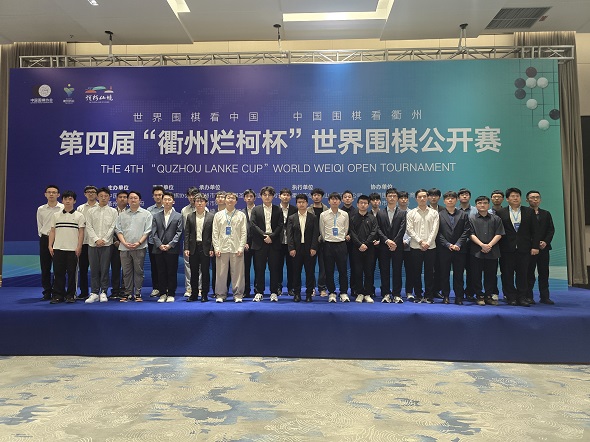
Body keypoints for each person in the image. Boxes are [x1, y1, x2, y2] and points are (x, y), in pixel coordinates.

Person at [496, 187, 540, 307]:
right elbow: (498, 231)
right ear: (507, 199)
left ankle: (522, 297)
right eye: (512, 196)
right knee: (507, 274)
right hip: (506, 249)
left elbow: (536, 231)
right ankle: (511, 297)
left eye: (517, 196)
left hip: (524, 249)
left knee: (523, 274)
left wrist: (535, 246)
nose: (515, 198)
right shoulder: (501, 212)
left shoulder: (529, 211)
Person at [48, 190, 85, 304]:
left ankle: (71, 295)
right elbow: (52, 231)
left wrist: (79, 247)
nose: (68, 201)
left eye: (70, 199)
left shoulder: (79, 216)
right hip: (58, 248)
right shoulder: (56, 215)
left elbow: (81, 233)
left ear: (74, 201)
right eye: (65, 199)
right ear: (62, 200)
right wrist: (50, 245)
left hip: (73, 249)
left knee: (72, 273)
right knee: (58, 273)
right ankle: (58, 295)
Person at [115, 190, 153, 302]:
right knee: (126, 272)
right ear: (128, 200)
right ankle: (127, 293)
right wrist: (124, 242)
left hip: (139, 247)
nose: (133, 200)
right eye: (130, 198)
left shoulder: (146, 214)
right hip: (124, 248)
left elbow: (148, 230)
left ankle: (137, 293)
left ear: (140, 200)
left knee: (138, 271)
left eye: (135, 198)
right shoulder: (122, 215)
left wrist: (139, 242)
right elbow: (118, 230)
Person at [469, 196, 505, 306]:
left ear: (488, 205)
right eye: (479, 203)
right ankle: (479, 295)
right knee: (476, 275)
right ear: (476, 205)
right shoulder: (471, 218)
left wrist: (489, 245)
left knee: (491, 275)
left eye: (485, 203)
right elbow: (470, 234)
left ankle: (488, 296)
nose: (482, 205)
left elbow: (499, 233)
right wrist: (482, 245)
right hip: (476, 251)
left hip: (492, 251)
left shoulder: (496, 219)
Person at [211, 192, 247, 302]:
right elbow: (215, 233)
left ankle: (238, 295)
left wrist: (241, 247)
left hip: (236, 248)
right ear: (225, 200)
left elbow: (244, 233)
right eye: (228, 198)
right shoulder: (218, 215)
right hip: (222, 248)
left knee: (238, 273)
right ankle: (220, 295)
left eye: (233, 198)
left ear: (236, 201)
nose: (230, 200)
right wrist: (216, 248)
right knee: (221, 273)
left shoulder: (241, 215)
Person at [406, 189, 439, 303]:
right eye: (419, 197)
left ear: (427, 198)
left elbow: (435, 229)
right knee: (416, 272)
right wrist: (420, 241)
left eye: (424, 196)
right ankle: (418, 295)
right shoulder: (411, 213)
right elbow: (409, 229)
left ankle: (429, 295)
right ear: (416, 199)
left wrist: (428, 243)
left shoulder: (434, 213)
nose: (422, 199)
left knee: (430, 272)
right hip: (416, 247)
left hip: (431, 247)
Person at [436, 191, 470, 305]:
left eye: (452, 198)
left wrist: (458, 244)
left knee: (459, 275)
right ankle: (445, 296)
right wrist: (447, 244)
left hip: (460, 249)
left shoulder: (463, 214)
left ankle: (459, 296)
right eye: (447, 198)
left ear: (456, 200)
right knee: (444, 274)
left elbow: (466, 231)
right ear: (444, 201)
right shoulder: (439, 214)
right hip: (444, 249)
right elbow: (437, 232)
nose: (450, 200)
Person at [250, 186, 283, 302]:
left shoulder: (278, 209)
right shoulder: (256, 209)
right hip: (260, 243)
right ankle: (259, 292)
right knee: (259, 269)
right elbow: (253, 224)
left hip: (274, 242)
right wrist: (264, 236)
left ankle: (274, 292)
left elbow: (280, 225)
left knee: (274, 269)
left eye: (269, 195)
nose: (267, 197)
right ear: (261, 196)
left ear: (273, 196)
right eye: (265, 195)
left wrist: (271, 236)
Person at [85, 187, 117, 303]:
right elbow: (88, 226)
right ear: (97, 197)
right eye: (101, 196)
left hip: (107, 244)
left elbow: (113, 227)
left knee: (104, 269)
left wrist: (104, 239)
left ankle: (103, 291)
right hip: (93, 245)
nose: (103, 198)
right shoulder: (90, 211)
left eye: (106, 196)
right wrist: (96, 240)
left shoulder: (113, 212)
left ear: (109, 197)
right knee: (94, 269)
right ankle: (94, 292)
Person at [375, 188, 406, 303]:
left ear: (397, 198)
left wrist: (395, 242)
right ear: (386, 197)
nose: (392, 198)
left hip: (397, 247)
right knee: (384, 270)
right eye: (390, 196)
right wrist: (387, 241)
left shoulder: (403, 213)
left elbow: (402, 229)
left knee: (397, 270)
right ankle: (386, 294)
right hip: (384, 246)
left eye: (394, 196)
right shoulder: (380, 213)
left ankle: (397, 294)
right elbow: (378, 229)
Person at [152, 192, 183, 303]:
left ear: (173, 201)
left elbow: (179, 232)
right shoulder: (156, 216)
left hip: (172, 249)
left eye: (169, 199)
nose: (167, 202)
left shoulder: (178, 216)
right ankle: (162, 294)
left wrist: (170, 245)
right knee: (160, 272)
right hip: (159, 249)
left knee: (171, 272)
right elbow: (154, 233)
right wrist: (160, 245)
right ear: (162, 201)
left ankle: (171, 293)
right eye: (165, 199)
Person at [287, 194, 319, 302]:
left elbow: (315, 234)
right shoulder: (292, 218)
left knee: (310, 272)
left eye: (303, 202)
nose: (301, 204)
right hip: (296, 249)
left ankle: (309, 294)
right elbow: (289, 235)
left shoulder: (313, 217)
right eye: (299, 202)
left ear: (307, 203)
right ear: (296, 204)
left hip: (309, 249)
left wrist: (314, 247)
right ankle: (297, 293)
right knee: (296, 272)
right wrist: (291, 248)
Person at [526, 190, 555, 305]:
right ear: (527, 200)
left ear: (540, 200)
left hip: (544, 248)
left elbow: (551, 230)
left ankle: (545, 297)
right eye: (532, 197)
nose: (535, 199)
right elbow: (524, 232)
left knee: (544, 273)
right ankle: (528, 296)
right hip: (529, 249)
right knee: (529, 273)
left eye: (537, 197)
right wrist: (534, 243)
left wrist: (545, 242)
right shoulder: (525, 213)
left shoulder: (546, 214)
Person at [319, 192, 350, 302]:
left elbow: (346, 229)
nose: (334, 201)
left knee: (343, 270)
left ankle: (343, 292)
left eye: (337, 199)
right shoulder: (323, 215)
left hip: (341, 244)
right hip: (328, 244)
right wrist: (328, 239)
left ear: (340, 201)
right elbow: (322, 231)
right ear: (329, 201)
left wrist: (340, 237)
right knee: (329, 270)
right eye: (332, 199)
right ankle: (331, 292)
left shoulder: (344, 214)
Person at [185, 193, 215, 302]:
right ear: (194, 203)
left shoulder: (211, 216)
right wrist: (186, 248)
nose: (199, 203)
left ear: (206, 203)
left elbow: (213, 234)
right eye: (197, 201)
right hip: (193, 247)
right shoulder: (190, 216)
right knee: (194, 272)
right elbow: (187, 233)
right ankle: (193, 294)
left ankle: (204, 294)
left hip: (205, 247)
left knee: (205, 272)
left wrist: (212, 248)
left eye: (202, 201)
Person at [349, 195, 379, 303]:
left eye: (365, 203)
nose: (363, 205)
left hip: (369, 249)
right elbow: (352, 233)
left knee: (369, 272)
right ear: (357, 204)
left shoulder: (372, 218)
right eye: (361, 203)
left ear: (368, 205)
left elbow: (374, 232)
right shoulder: (352, 218)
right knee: (357, 272)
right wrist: (359, 244)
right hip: (356, 249)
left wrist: (366, 244)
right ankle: (359, 293)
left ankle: (368, 293)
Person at [37, 185, 64, 300]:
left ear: (58, 194)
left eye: (54, 192)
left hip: (60, 239)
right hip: (45, 239)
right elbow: (40, 225)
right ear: (45, 194)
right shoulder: (41, 209)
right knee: (45, 267)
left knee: (59, 267)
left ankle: (57, 291)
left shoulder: (63, 208)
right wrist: (45, 237)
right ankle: (47, 291)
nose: (51, 194)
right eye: (49, 192)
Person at [76, 185, 98, 299]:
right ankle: (84, 292)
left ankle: (97, 291)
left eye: (93, 192)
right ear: (85, 194)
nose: (91, 193)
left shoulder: (101, 207)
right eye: (88, 192)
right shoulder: (80, 208)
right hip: (84, 243)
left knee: (97, 269)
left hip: (97, 243)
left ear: (97, 194)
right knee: (83, 269)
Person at [308, 188, 329, 296]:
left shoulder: (327, 210)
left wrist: (322, 236)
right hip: (311, 242)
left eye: (318, 195)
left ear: (322, 197)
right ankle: (311, 287)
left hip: (324, 242)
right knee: (310, 266)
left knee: (323, 266)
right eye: (314, 195)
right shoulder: (307, 210)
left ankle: (322, 288)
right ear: (312, 197)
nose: (316, 197)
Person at [458, 187, 477, 301]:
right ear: (458, 198)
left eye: (466, 194)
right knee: (459, 270)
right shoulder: (454, 210)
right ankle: (459, 293)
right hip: (459, 245)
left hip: (473, 244)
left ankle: (470, 292)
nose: (464, 196)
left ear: (470, 197)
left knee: (472, 270)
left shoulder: (476, 210)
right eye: (462, 195)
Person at [278, 188, 297, 296]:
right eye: (283, 195)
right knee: (278, 266)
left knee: (292, 267)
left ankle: (291, 288)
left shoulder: (294, 209)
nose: (285, 197)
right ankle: (278, 287)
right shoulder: (275, 209)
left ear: (290, 197)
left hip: (291, 243)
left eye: (287, 195)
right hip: (278, 243)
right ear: (279, 196)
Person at [146, 186, 165, 297]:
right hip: (153, 242)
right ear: (153, 196)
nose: (158, 197)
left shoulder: (169, 208)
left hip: (166, 243)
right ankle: (156, 288)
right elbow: (149, 227)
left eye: (160, 195)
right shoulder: (149, 210)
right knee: (154, 266)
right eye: (156, 195)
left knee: (165, 266)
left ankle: (165, 287)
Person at [181, 187, 199, 298]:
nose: (192, 197)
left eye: (194, 195)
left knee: (200, 267)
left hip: (201, 242)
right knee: (188, 266)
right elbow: (184, 229)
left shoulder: (205, 209)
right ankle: (189, 288)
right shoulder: (184, 210)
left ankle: (199, 288)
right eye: (190, 195)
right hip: (189, 242)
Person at [110, 190, 128, 299]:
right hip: (114, 245)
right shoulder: (111, 212)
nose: (122, 199)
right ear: (116, 199)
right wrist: (114, 241)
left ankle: (125, 290)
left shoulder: (131, 212)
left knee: (126, 269)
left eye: (125, 197)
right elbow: (108, 227)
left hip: (127, 244)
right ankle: (115, 290)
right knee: (115, 268)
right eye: (120, 197)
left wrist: (123, 242)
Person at [397, 191, 415, 301]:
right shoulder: (395, 212)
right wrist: (399, 241)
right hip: (397, 246)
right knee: (397, 270)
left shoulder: (412, 213)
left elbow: (414, 230)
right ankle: (397, 293)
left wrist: (407, 240)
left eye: (405, 198)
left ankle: (409, 292)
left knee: (410, 271)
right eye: (401, 198)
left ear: (408, 199)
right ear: (398, 199)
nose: (403, 200)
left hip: (410, 246)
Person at [427, 188, 444, 299]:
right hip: (427, 244)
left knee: (439, 268)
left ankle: (437, 290)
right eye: (431, 195)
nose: (433, 197)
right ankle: (428, 291)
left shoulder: (443, 210)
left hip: (441, 244)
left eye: (436, 195)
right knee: (429, 269)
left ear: (439, 197)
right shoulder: (424, 209)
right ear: (428, 197)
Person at [341, 190, 357, 296]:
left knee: (354, 266)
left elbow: (357, 227)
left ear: (352, 199)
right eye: (345, 197)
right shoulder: (338, 211)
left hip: (354, 243)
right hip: (341, 242)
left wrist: (350, 235)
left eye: (349, 197)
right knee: (342, 267)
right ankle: (343, 290)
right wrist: (343, 235)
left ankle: (354, 288)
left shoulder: (357, 211)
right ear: (342, 199)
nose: (347, 198)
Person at [242, 189, 256, 298]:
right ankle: (246, 290)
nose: (249, 198)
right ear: (244, 199)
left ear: (254, 198)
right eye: (247, 196)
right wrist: (244, 242)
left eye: (251, 196)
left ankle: (257, 290)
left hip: (258, 244)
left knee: (258, 268)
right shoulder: (241, 213)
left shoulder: (260, 210)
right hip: (245, 244)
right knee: (245, 269)